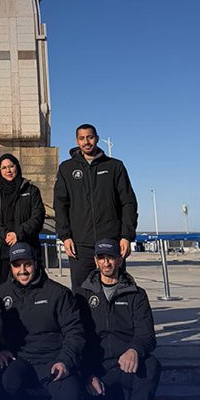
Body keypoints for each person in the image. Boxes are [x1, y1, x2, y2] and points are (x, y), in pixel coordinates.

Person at [0, 242, 86, 400]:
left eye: (27, 264)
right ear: (11, 267)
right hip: (22, 360)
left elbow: (74, 332)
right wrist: (0, 350)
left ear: (35, 263)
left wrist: (65, 361)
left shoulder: (58, 293)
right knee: (4, 382)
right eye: (17, 265)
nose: (22, 270)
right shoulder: (1, 294)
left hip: (53, 360)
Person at [75, 237, 163, 400]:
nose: (106, 263)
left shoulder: (136, 294)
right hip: (97, 366)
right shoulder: (82, 295)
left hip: (125, 364)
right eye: (101, 258)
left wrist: (134, 350)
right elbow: (76, 338)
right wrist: (88, 374)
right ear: (96, 260)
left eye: (111, 257)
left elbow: (147, 335)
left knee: (151, 365)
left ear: (120, 259)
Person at [54, 123, 138, 290]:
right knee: (81, 293)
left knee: (116, 290)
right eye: (82, 138)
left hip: (111, 242)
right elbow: (60, 204)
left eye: (90, 137)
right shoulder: (66, 168)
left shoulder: (115, 166)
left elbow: (128, 203)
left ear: (97, 138)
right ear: (77, 141)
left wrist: (126, 236)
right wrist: (65, 236)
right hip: (80, 245)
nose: (86, 142)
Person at [0, 153, 45, 291]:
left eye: (11, 166)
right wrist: (4, 234)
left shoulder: (31, 191)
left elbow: (38, 217)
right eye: (4, 168)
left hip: (25, 251)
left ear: (17, 167)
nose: (8, 170)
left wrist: (18, 234)